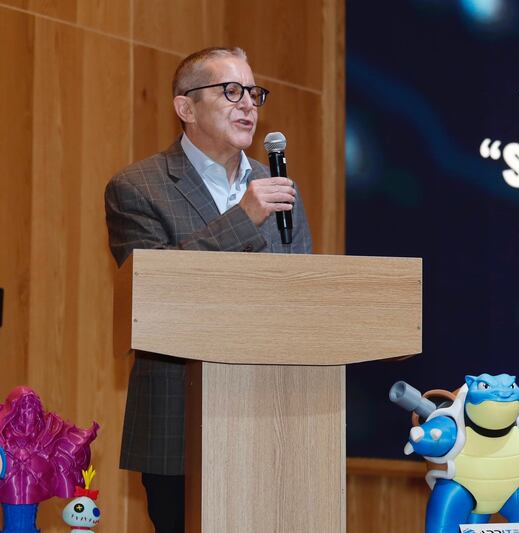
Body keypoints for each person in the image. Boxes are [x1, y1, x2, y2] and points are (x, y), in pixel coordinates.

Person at [104, 47, 312, 533]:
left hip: (274, 414)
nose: (249, 105)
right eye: (231, 91)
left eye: (254, 93)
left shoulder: (277, 185)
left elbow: (302, 295)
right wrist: (244, 217)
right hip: (179, 421)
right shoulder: (138, 187)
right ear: (186, 107)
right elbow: (154, 290)